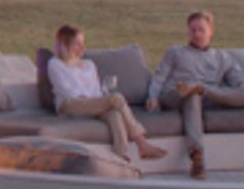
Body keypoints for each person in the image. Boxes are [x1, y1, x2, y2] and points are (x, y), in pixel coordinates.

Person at [38, 23, 163, 165]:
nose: (82, 48)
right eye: (77, 44)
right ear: (65, 45)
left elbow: (96, 91)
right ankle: (142, 143)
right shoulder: (55, 64)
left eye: (83, 44)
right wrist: (95, 101)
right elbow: (66, 91)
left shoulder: (88, 65)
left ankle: (121, 157)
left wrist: (98, 100)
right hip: (69, 104)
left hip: (91, 104)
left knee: (114, 114)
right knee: (116, 98)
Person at [147, 11, 244, 116]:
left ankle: (201, 89)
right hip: (177, 95)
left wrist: (215, 91)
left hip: (209, 97)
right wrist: (152, 97)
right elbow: (159, 77)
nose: (197, 34)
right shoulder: (175, 52)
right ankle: (196, 91)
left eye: (201, 30)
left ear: (211, 31)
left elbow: (242, 83)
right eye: (193, 30)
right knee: (193, 94)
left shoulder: (222, 57)